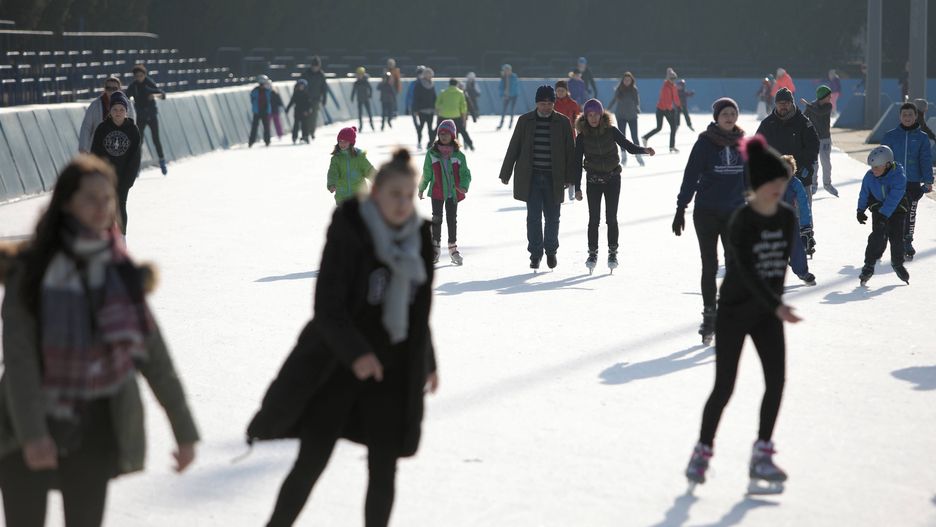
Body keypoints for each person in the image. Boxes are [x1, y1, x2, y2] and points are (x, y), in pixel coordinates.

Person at [0, 155, 199, 527]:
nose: (102, 207)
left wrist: (183, 431)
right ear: (66, 203)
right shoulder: (30, 270)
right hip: (24, 424)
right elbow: (20, 360)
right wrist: (33, 435)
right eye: (91, 198)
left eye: (107, 198)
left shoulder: (120, 273)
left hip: (95, 426)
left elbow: (155, 356)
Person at [248, 148, 439, 527]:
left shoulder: (416, 239)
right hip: (338, 365)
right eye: (394, 194)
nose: (402, 203)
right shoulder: (350, 230)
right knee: (312, 461)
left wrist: (428, 360)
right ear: (376, 192)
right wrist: (357, 355)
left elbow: (418, 309)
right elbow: (327, 308)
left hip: (391, 371)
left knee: (384, 471)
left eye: (408, 195)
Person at [685, 135, 802, 495]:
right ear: (756, 185)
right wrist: (776, 304)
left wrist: (778, 300)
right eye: (773, 183)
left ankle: (762, 452)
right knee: (725, 387)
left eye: (783, 182)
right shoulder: (742, 221)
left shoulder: (785, 218)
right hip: (735, 311)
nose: (779, 189)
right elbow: (748, 272)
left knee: (776, 381)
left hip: (768, 312)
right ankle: (702, 450)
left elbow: (778, 265)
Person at [672, 98, 746, 344]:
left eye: (732, 112)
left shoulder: (743, 143)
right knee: (710, 265)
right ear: (716, 117)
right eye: (724, 113)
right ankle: (709, 315)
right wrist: (681, 207)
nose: (729, 116)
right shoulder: (704, 143)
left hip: (735, 212)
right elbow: (691, 176)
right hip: (707, 213)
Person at [498, 85, 576, 270]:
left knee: (553, 218)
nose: (546, 107)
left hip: (553, 177)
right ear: (537, 103)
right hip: (531, 177)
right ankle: (535, 253)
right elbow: (514, 146)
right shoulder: (525, 121)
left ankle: (551, 251)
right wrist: (506, 172)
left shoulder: (563, 122)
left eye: (549, 103)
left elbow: (569, 151)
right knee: (533, 218)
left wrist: (570, 177)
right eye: (542, 103)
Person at [573, 99, 654, 273]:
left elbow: (628, 147)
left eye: (596, 114)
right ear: (586, 117)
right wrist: (577, 187)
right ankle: (592, 253)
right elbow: (576, 162)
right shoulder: (582, 136)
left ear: (601, 114)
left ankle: (612, 252)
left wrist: (644, 150)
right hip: (593, 181)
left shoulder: (611, 130)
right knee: (593, 219)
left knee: (611, 218)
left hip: (612, 179)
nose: (593, 118)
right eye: (589, 115)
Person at [880, 102, 933, 260]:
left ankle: (907, 241)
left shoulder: (922, 138)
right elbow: (883, 159)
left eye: (910, 115)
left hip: (913, 182)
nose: (907, 118)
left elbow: (925, 159)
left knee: (910, 213)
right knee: (894, 214)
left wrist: (928, 180)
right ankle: (896, 241)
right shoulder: (890, 136)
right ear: (899, 117)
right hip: (893, 182)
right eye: (904, 115)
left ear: (916, 116)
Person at [755, 88, 820, 209]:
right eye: (780, 103)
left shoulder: (803, 123)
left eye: (787, 103)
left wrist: (805, 167)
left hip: (800, 177)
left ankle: (805, 229)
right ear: (776, 104)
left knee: (803, 214)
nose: (783, 106)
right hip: (774, 179)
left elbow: (813, 146)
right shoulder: (767, 124)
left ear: (792, 103)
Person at [419, 119, 472, 265]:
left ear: (453, 135)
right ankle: (435, 248)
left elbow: (465, 174)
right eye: (441, 133)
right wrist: (422, 187)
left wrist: (464, 186)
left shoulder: (458, 155)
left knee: (451, 219)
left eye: (446, 133)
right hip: (437, 192)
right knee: (436, 219)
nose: (443, 136)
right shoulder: (432, 153)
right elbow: (427, 172)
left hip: (452, 193)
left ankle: (452, 248)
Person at [857, 145, 911, 284]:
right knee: (877, 236)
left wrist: (884, 215)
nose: (873, 170)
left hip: (897, 208)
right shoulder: (869, 176)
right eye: (872, 167)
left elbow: (894, 198)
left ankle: (897, 263)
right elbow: (864, 193)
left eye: (877, 167)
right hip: (879, 207)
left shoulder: (899, 176)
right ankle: (869, 265)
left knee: (896, 238)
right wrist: (860, 210)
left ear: (887, 165)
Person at [90, 91, 141, 235]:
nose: (118, 113)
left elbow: (135, 158)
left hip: (124, 177)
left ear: (126, 111)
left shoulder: (132, 130)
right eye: (115, 109)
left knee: (120, 206)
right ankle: (107, 238)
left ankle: (122, 238)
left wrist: (129, 179)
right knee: (104, 207)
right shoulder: (102, 128)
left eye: (121, 110)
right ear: (110, 111)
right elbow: (95, 154)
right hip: (105, 178)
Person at [779, 155, 816, 285]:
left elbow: (803, 203)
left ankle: (802, 272)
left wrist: (806, 224)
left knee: (797, 246)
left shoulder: (795, 183)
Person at [125, 64, 167, 175]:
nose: (139, 78)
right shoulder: (133, 86)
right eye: (137, 76)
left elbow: (162, 95)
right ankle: (136, 166)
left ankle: (162, 160)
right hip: (141, 116)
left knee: (155, 139)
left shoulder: (149, 83)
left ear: (144, 74)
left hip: (151, 115)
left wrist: (154, 95)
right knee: (139, 141)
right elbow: (125, 97)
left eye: (141, 75)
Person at [79, 76, 136, 154]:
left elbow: (132, 128)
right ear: (104, 89)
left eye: (114, 88)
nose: (111, 91)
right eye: (108, 88)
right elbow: (86, 127)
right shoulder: (95, 105)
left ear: (120, 89)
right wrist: (83, 147)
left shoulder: (128, 105)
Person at [802, 85, 838, 196]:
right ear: (823, 96)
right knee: (814, 163)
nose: (830, 98)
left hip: (825, 139)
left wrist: (808, 105)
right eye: (828, 96)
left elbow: (819, 112)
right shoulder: (811, 106)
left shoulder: (828, 106)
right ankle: (813, 184)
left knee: (826, 163)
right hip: (814, 139)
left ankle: (827, 184)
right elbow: (803, 117)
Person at [327, 126, 376, 204]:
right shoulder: (336, 158)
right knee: (345, 216)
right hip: (342, 196)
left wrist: (379, 182)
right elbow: (333, 172)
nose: (342, 144)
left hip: (359, 195)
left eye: (345, 141)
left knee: (358, 215)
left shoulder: (359, 157)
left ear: (351, 142)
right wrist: (332, 184)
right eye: (340, 141)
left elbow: (369, 170)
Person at [607, 72, 643, 166]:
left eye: (629, 80)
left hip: (632, 116)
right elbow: (614, 100)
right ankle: (623, 156)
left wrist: (637, 108)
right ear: (623, 80)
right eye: (625, 80)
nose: (627, 81)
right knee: (622, 138)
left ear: (631, 81)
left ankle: (638, 155)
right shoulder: (619, 89)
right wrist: (607, 110)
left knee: (635, 136)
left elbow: (637, 101)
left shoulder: (634, 90)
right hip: (621, 116)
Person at [642, 68, 681, 153]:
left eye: (674, 78)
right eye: (671, 78)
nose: (673, 80)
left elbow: (675, 97)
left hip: (668, 109)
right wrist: (669, 110)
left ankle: (672, 147)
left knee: (673, 128)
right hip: (662, 109)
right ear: (668, 78)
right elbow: (665, 100)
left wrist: (678, 105)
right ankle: (645, 137)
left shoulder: (673, 87)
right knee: (659, 127)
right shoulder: (665, 87)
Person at [554, 79, 580, 201]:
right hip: (555, 138)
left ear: (566, 91)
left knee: (571, 162)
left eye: (562, 90)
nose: (560, 93)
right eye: (558, 90)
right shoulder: (552, 103)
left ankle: (572, 184)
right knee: (559, 163)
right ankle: (560, 187)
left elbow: (578, 121)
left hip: (570, 137)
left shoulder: (573, 104)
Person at [435, 78, 474, 151]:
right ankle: (470, 144)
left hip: (444, 115)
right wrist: (464, 118)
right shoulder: (460, 93)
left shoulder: (443, 92)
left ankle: (436, 144)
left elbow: (437, 105)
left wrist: (438, 115)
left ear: (449, 84)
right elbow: (463, 107)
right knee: (462, 131)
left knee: (440, 130)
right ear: (457, 84)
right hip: (456, 116)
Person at [301, 56, 329, 140]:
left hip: (316, 98)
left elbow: (324, 88)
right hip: (306, 98)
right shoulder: (306, 74)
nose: (315, 68)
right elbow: (300, 84)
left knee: (313, 116)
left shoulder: (321, 75)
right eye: (313, 66)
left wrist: (324, 98)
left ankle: (311, 132)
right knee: (306, 116)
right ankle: (305, 132)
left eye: (316, 66)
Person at [285, 78, 313, 144]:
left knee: (304, 125)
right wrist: (287, 109)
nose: (301, 87)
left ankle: (305, 136)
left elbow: (309, 104)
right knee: (296, 125)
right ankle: (294, 137)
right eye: (300, 86)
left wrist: (308, 110)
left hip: (304, 112)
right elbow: (292, 102)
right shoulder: (296, 93)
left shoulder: (307, 94)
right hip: (297, 111)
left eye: (302, 86)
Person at [249, 75, 273, 148]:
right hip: (257, 111)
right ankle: (251, 141)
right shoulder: (255, 91)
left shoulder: (268, 91)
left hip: (265, 111)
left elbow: (272, 97)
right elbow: (252, 99)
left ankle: (267, 141)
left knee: (266, 127)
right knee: (254, 127)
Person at [351, 66, 376, 132]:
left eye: (360, 74)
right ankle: (361, 126)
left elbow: (370, 88)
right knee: (360, 114)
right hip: (359, 99)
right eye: (357, 74)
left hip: (366, 99)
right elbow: (353, 90)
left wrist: (370, 95)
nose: (358, 76)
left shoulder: (366, 82)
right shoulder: (356, 83)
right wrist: (352, 97)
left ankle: (371, 124)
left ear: (363, 74)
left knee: (369, 112)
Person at [497, 64, 520, 131]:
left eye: (507, 70)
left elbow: (513, 87)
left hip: (513, 95)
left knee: (512, 110)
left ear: (510, 70)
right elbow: (501, 87)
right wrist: (502, 95)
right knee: (504, 110)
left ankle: (511, 123)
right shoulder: (503, 78)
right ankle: (501, 124)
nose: (505, 71)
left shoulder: (514, 77)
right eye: (504, 70)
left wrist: (508, 94)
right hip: (506, 96)